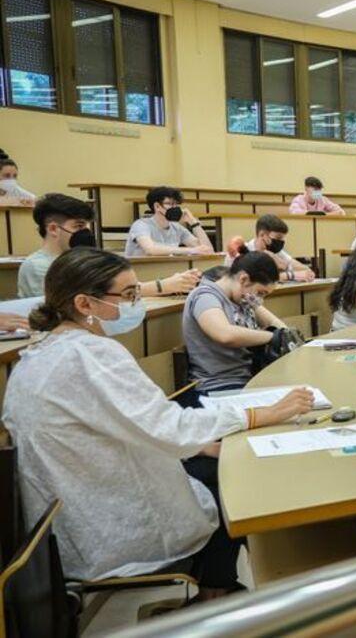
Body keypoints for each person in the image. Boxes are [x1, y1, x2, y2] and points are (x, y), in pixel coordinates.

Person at [2, 247, 313, 600]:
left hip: (73, 520)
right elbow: (169, 428)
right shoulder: (91, 355)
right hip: (110, 525)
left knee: (214, 460)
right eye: (130, 295)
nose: (137, 303)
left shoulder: (44, 351)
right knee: (233, 483)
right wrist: (261, 415)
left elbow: (131, 425)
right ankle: (216, 591)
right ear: (84, 304)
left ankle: (217, 584)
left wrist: (206, 444)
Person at [19, 193, 200, 299]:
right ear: (53, 229)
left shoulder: (87, 260)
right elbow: (92, 299)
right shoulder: (37, 267)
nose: (86, 232)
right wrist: (162, 286)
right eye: (79, 226)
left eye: (88, 226)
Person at [182, 252, 291, 399]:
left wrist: (282, 332)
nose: (259, 299)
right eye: (260, 292)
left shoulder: (242, 298)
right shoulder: (205, 297)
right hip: (218, 386)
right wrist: (272, 337)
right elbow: (225, 334)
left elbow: (281, 328)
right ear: (243, 279)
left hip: (247, 380)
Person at [125, 186, 215, 257]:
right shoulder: (141, 225)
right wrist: (190, 250)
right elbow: (150, 249)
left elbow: (208, 250)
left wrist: (194, 223)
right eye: (169, 204)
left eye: (176, 204)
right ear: (157, 206)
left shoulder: (177, 227)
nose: (174, 207)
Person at [225, 214, 315, 283]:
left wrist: (285, 266)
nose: (281, 242)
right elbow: (250, 280)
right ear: (262, 235)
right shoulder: (240, 250)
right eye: (278, 238)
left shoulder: (275, 252)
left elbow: (307, 271)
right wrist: (289, 275)